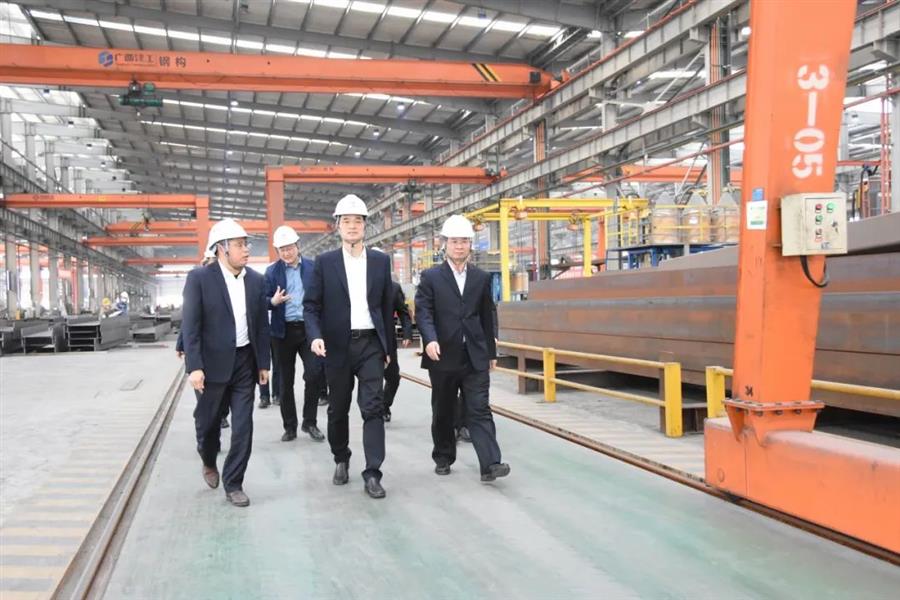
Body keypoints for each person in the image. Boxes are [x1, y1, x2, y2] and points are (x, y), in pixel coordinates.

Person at [304, 194, 395, 499]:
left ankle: (373, 472)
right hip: (337, 346)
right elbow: (311, 305)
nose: (352, 226)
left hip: (370, 344)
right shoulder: (325, 263)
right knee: (338, 408)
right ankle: (341, 457)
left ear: (365, 225)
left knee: (373, 407)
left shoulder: (380, 262)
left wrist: (388, 349)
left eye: (358, 221)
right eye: (347, 221)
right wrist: (315, 336)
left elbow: (386, 308)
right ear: (338, 226)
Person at [181, 218, 271, 507]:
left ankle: (234, 483)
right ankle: (208, 459)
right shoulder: (199, 279)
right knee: (208, 425)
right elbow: (191, 326)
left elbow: (261, 326)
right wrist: (195, 367)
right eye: (240, 245)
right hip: (211, 365)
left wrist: (264, 363)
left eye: (246, 244)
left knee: (243, 426)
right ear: (222, 248)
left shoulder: (256, 280)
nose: (246, 250)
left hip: (245, 362)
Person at [415, 215, 509, 482]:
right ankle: (443, 457)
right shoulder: (431, 277)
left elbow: (487, 313)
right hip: (442, 354)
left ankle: (491, 464)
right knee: (443, 410)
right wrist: (430, 339)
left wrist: (491, 350)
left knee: (479, 409)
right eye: (455, 241)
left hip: (474, 355)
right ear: (444, 244)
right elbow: (424, 312)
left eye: (464, 241)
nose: (459, 246)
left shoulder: (480, 277)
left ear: (470, 245)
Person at [265, 225, 325, 443]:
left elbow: (324, 295)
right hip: (283, 332)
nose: (287, 253)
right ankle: (289, 426)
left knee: (314, 374)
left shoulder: (313, 267)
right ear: (277, 251)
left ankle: (310, 422)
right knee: (285, 381)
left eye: (289, 248)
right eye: (282, 250)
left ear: (298, 246)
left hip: (309, 329)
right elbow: (261, 300)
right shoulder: (271, 272)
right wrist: (273, 301)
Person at [370, 249, 413, 423]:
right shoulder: (359, 287)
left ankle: (384, 405)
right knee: (372, 378)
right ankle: (374, 412)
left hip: (387, 341)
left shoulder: (394, 288)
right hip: (367, 340)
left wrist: (407, 333)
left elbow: (403, 312)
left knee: (393, 377)